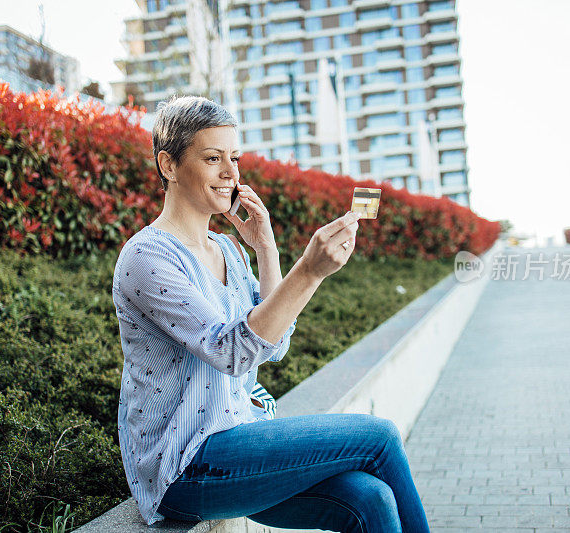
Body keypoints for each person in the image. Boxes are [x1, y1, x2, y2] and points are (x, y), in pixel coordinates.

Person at [112, 95, 430, 532]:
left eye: (235, 158)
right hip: (186, 466)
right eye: (212, 158)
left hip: (240, 441)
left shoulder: (226, 248)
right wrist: (310, 272)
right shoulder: (147, 258)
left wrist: (266, 249)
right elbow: (233, 353)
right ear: (168, 165)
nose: (231, 173)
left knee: (368, 499)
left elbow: (272, 346)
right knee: (381, 438)